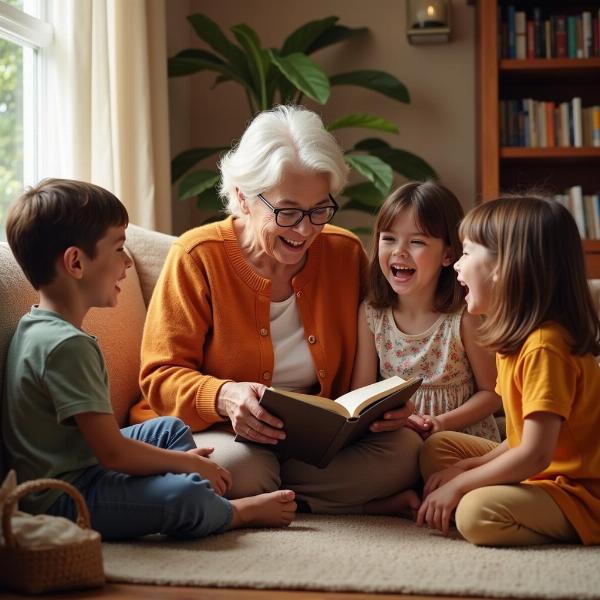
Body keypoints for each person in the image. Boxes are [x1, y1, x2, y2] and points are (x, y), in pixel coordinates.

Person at [131, 105, 421, 515]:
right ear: (242, 198)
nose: (305, 230)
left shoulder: (344, 252)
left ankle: (276, 499)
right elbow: (159, 377)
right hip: (227, 433)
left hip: (319, 442)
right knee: (239, 469)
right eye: (287, 212)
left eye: (319, 209)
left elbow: (378, 346)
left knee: (406, 451)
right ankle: (327, 500)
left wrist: (388, 405)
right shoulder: (197, 257)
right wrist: (224, 396)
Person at [2, 178, 296, 540]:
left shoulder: (36, 325)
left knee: (169, 428)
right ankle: (230, 513)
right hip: (64, 497)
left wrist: (182, 462)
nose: (128, 262)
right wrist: (185, 463)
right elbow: (113, 454)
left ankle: (181, 496)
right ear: (75, 262)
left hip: (84, 462)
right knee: (182, 494)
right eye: (119, 248)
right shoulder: (66, 346)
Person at [417, 195, 600, 546]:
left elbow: (534, 453)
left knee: (475, 513)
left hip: (578, 492)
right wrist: (468, 467)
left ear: (504, 267)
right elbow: (517, 439)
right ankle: (491, 495)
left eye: (467, 253)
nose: (455, 264)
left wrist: (461, 485)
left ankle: (556, 522)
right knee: (439, 450)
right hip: (539, 474)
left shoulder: (546, 346)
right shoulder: (514, 341)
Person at [352, 181, 502, 443]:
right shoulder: (372, 314)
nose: (399, 250)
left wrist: (440, 423)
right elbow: (361, 394)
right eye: (388, 239)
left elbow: (493, 393)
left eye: (417, 241)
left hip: (459, 439)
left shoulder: (463, 317)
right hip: (396, 440)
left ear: (448, 254)